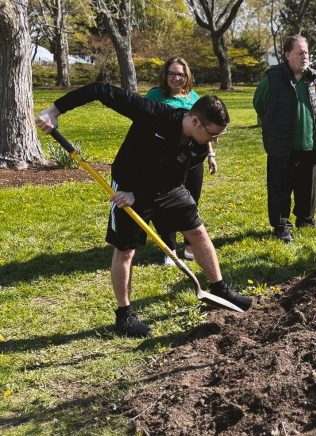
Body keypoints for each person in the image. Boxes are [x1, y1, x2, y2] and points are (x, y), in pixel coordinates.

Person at [35, 82, 253, 339]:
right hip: (127, 185)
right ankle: (124, 315)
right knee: (126, 250)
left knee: (197, 231)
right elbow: (100, 90)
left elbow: (172, 178)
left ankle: (219, 290)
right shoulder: (152, 113)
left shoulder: (198, 146)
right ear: (195, 121)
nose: (214, 141)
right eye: (213, 134)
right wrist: (55, 110)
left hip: (165, 187)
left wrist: (141, 195)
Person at [253, 35, 316, 243]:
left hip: (309, 143)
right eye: (300, 52)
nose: (305, 56)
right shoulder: (273, 77)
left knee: (307, 187)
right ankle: (281, 226)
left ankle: (306, 220)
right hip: (282, 145)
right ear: (287, 55)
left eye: (307, 52)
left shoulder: (314, 78)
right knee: (280, 187)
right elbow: (259, 103)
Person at [147, 57, 217, 266]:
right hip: (165, 159)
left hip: (193, 159)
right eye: (172, 74)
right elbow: (144, 124)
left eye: (181, 74)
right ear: (165, 75)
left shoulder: (193, 97)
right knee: (167, 203)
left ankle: (189, 246)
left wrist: (211, 154)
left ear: (187, 77)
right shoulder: (155, 96)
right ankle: (171, 250)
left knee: (191, 201)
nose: (177, 78)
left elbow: (203, 129)